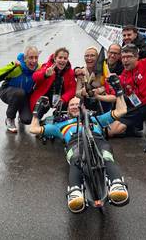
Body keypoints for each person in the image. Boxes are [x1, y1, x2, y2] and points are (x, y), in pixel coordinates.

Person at [29, 75, 129, 213]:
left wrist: (119, 92)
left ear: (83, 107)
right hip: (75, 143)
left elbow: (121, 110)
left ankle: (116, 184)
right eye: (72, 105)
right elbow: (33, 129)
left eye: (77, 104)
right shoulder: (60, 125)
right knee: (75, 159)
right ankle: (75, 191)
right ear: (68, 109)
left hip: (97, 139)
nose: (75, 106)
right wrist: (36, 113)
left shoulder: (96, 119)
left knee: (106, 155)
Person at [109, 14, 146, 153]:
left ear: (137, 57)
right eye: (123, 57)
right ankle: (132, 129)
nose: (125, 60)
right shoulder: (122, 75)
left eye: (129, 57)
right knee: (112, 132)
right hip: (135, 107)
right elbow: (114, 95)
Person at [0, 46, 40, 133]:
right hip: (7, 92)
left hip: (24, 97)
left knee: (27, 120)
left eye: (36, 57)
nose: (34, 61)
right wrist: (12, 65)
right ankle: (10, 118)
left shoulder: (38, 68)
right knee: (19, 93)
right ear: (25, 58)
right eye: (31, 57)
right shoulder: (17, 67)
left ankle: (20, 114)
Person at [30, 47, 76, 118]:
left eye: (65, 58)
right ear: (55, 59)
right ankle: (36, 122)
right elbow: (35, 77)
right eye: (60, 57)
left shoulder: (70, 72)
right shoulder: (47, 67)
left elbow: (72, 89)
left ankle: (58, 118)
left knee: (68, 107)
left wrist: (63, 99)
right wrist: (45, 74)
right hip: (45, 99)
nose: (62, 60)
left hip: (61, 99)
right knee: (29, 118)